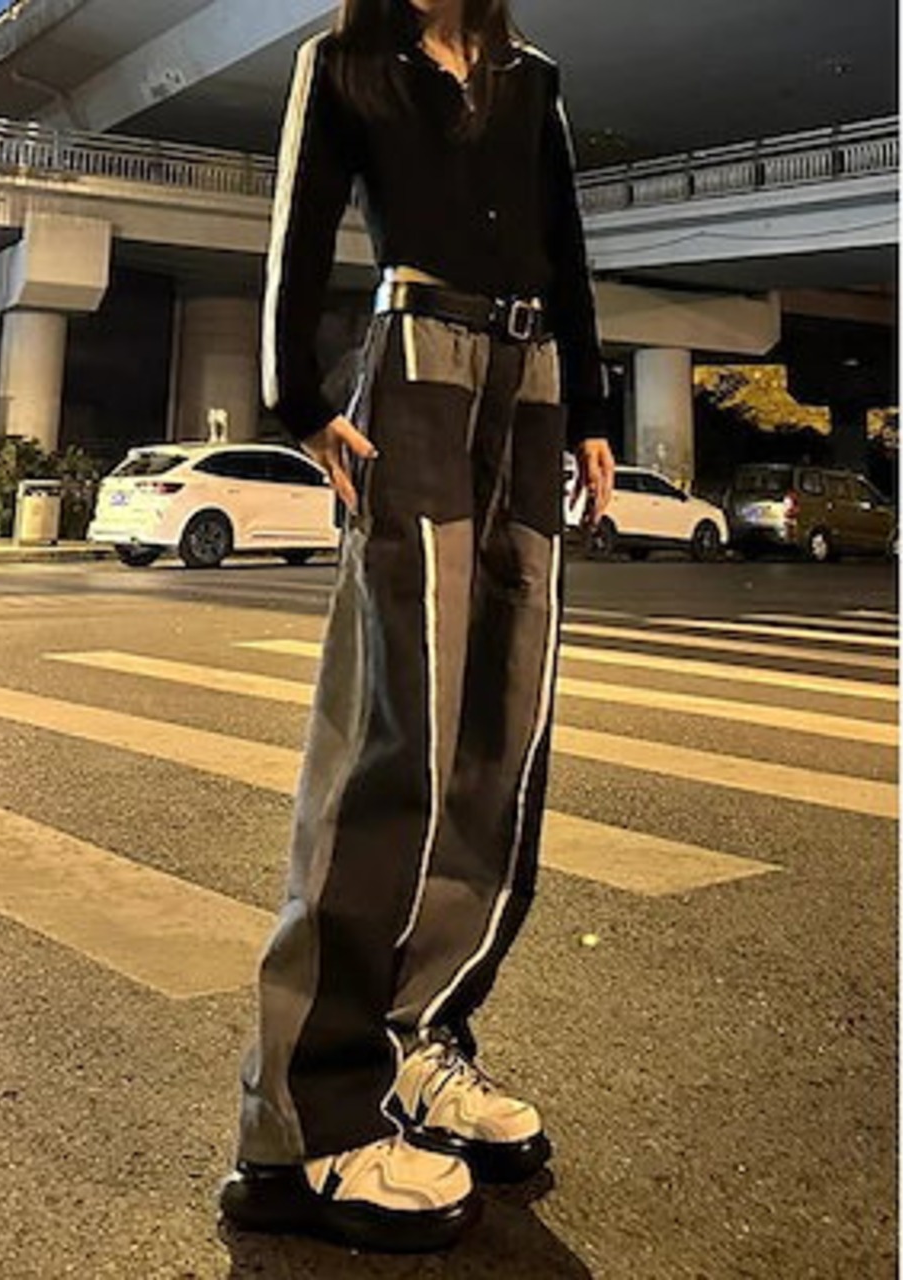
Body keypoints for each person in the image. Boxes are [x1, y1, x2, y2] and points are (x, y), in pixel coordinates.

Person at [219, 0, 615, 1253]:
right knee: (399, 726)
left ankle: (419, 1036)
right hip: (414, 370)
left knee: (502, 723)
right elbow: (298, 232)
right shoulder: (344, 64)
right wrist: (296, 398)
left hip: (529, 381)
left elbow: (564, 245)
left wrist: (591, 407)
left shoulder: (530, 76)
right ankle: (304, 1120)